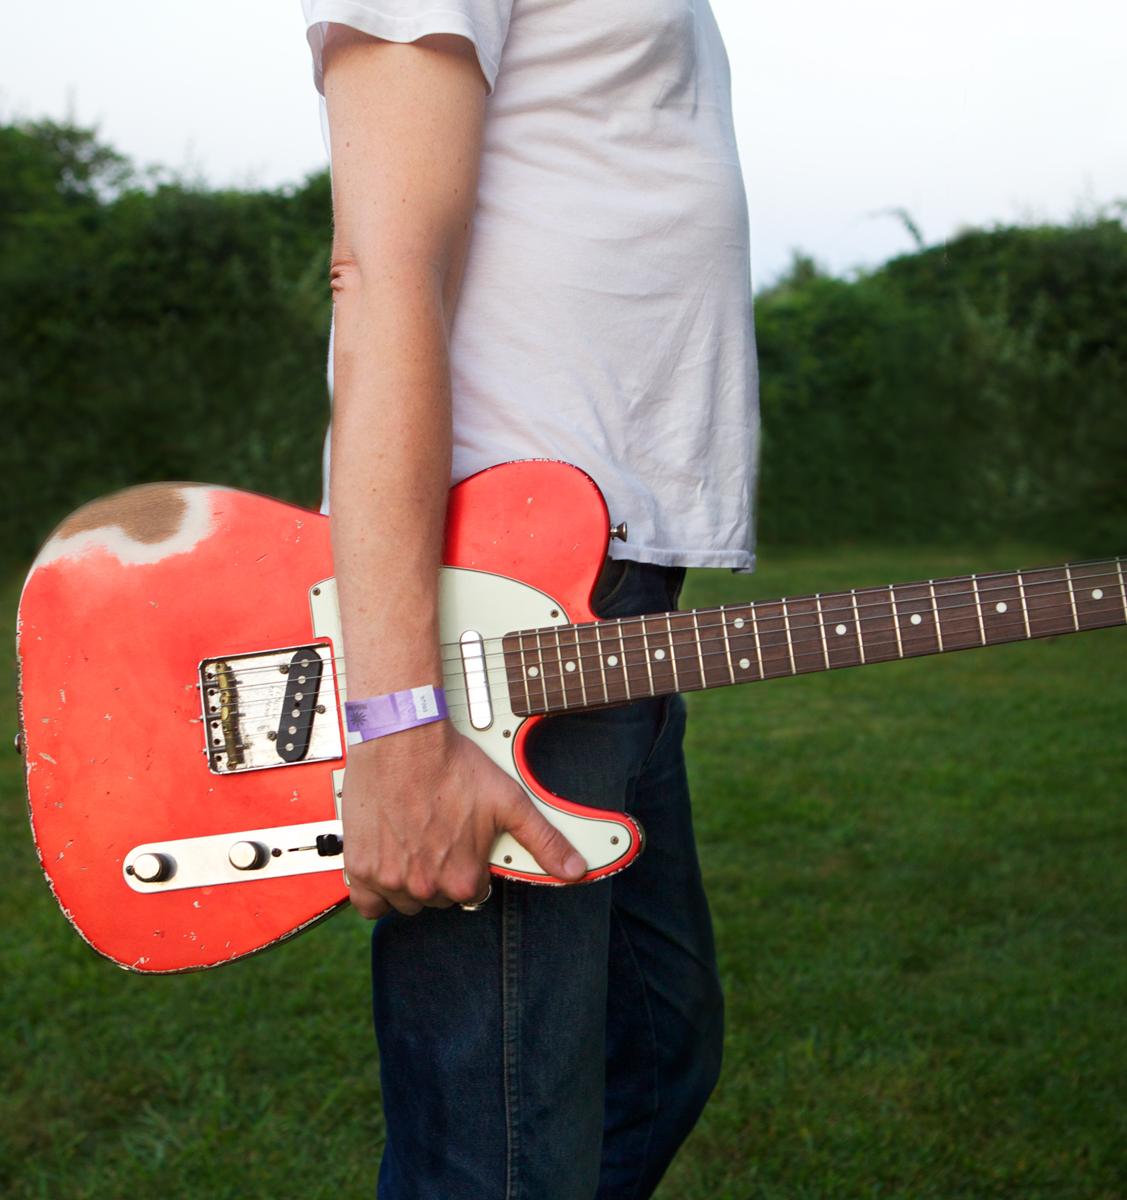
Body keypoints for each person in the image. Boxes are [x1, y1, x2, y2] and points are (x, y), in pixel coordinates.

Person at [301, 0, 758, 1193]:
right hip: (491, 591)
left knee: (654, 1054)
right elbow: (379, 268)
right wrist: (396, 725)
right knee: (501, 1154)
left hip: (614, 581)